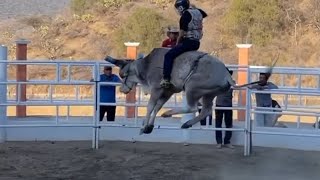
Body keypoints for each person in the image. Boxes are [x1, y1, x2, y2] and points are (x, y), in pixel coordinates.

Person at [160, 0, 208, 88]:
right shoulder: (198, 12)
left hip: (188, 42)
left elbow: (181, 33)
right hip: (197, 42)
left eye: (178, 8)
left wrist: (177, 43)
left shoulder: (185, 16)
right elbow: (205, 14)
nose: (178, 11)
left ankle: (166, 79)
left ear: (180, 7)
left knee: (168, 55)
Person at [215, 69, 234, 149]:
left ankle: (227, 141)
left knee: (228, 124)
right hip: (219, 105)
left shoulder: (232, 82)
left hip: (228, 105)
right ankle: (219, 142)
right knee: (218, 124)